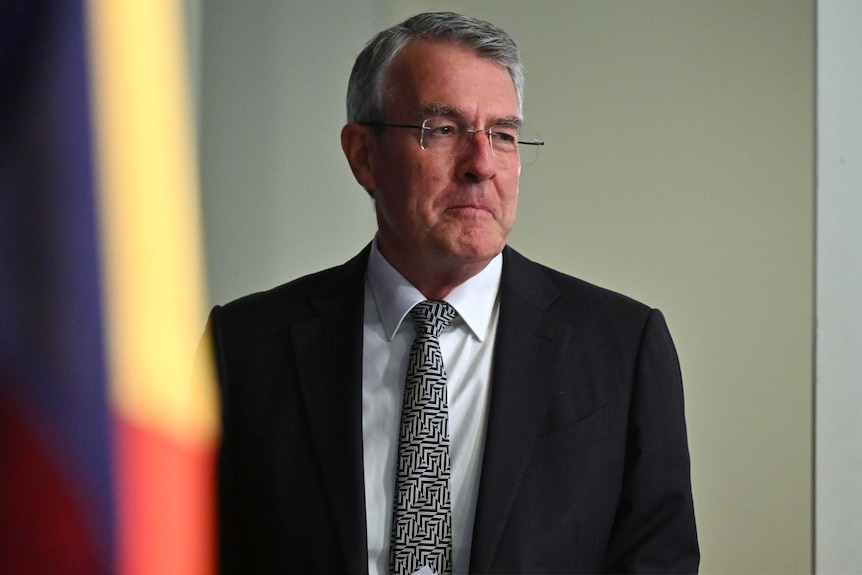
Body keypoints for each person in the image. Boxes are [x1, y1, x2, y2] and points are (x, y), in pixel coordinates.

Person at [205, 11, 698, 575]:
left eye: (504, 135)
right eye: (442, 130)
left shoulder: (623, 348)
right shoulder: (245, 347)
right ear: (363, 155)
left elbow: (658, 560)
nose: (482, 165)